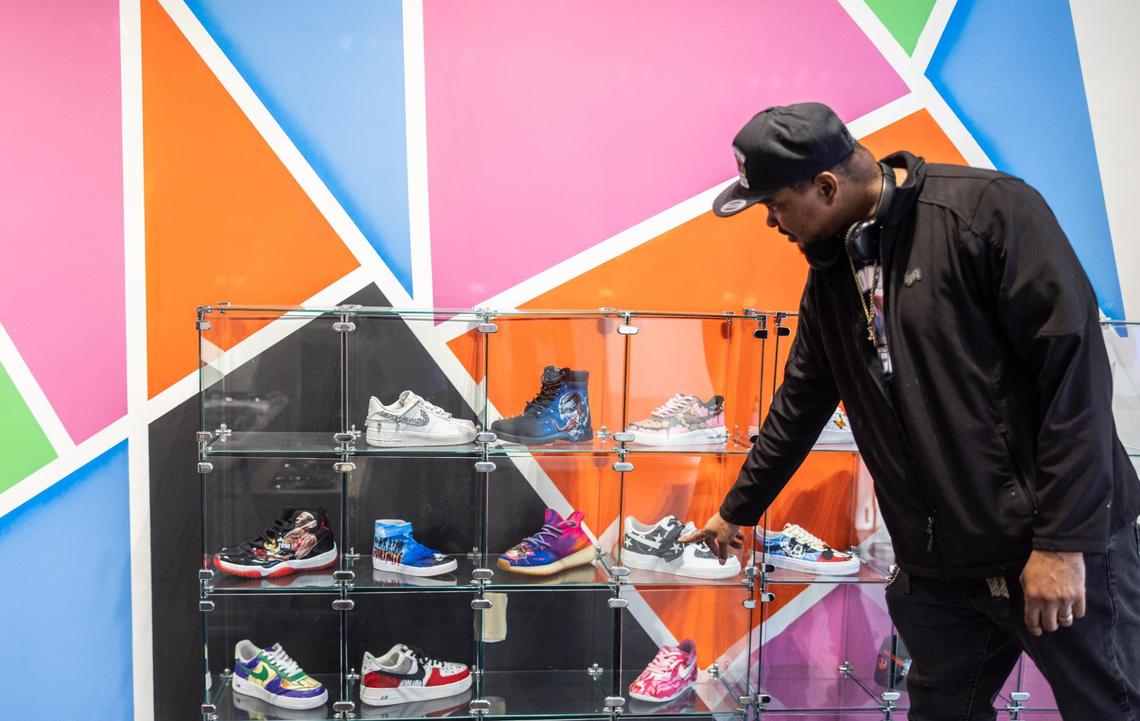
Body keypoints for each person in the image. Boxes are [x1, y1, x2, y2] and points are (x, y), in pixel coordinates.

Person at [679, 102, 1140, 720]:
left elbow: (1075, 380)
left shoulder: (987, 213)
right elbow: (800, 404)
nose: (771, 223)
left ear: (826, 185)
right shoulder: (833, 272)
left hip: (1047, 549)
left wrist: (1063, 543)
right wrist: (737, 510)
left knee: (1110, 706)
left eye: (774, 205)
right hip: (942, 566)